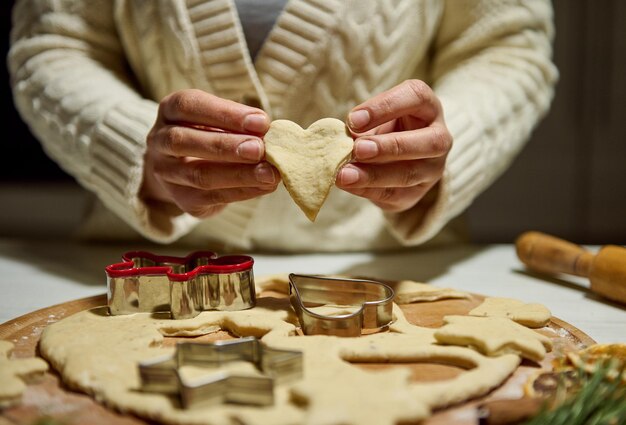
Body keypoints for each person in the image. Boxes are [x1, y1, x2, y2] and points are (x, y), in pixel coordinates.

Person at [8, 0, 557, 252]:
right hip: (144, 267)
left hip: (384, 273)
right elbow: (51, 45)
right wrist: (133, 153)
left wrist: (442, 145)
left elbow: (509, 47)